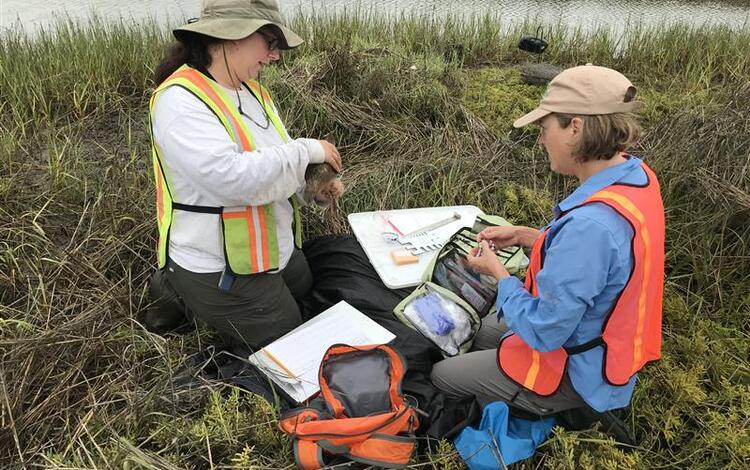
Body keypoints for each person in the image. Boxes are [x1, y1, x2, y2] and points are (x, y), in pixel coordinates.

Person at [431, 65, 665, 417]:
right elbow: (607, 257)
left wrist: (498, 272)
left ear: (576, 128)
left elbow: (545, 333)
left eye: (544, 128)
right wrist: (527, 236)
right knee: (484, 333)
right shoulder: (636, 176)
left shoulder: (589, 226)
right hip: (606, 339)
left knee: (441, 375)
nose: (541, 140)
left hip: (580, 370)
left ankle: (548, 408)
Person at [148, 0, 344, 351]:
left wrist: (312, 189)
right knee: (291, 345)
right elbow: (232, 179)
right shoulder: (179, 101)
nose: (275, 56)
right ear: (232, 37)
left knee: (311, 302)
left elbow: (272, 166)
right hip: (219, 266)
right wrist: (309, 150)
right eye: (270, 42)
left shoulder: (255, 92)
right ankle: (184, 293)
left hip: (271, 250)